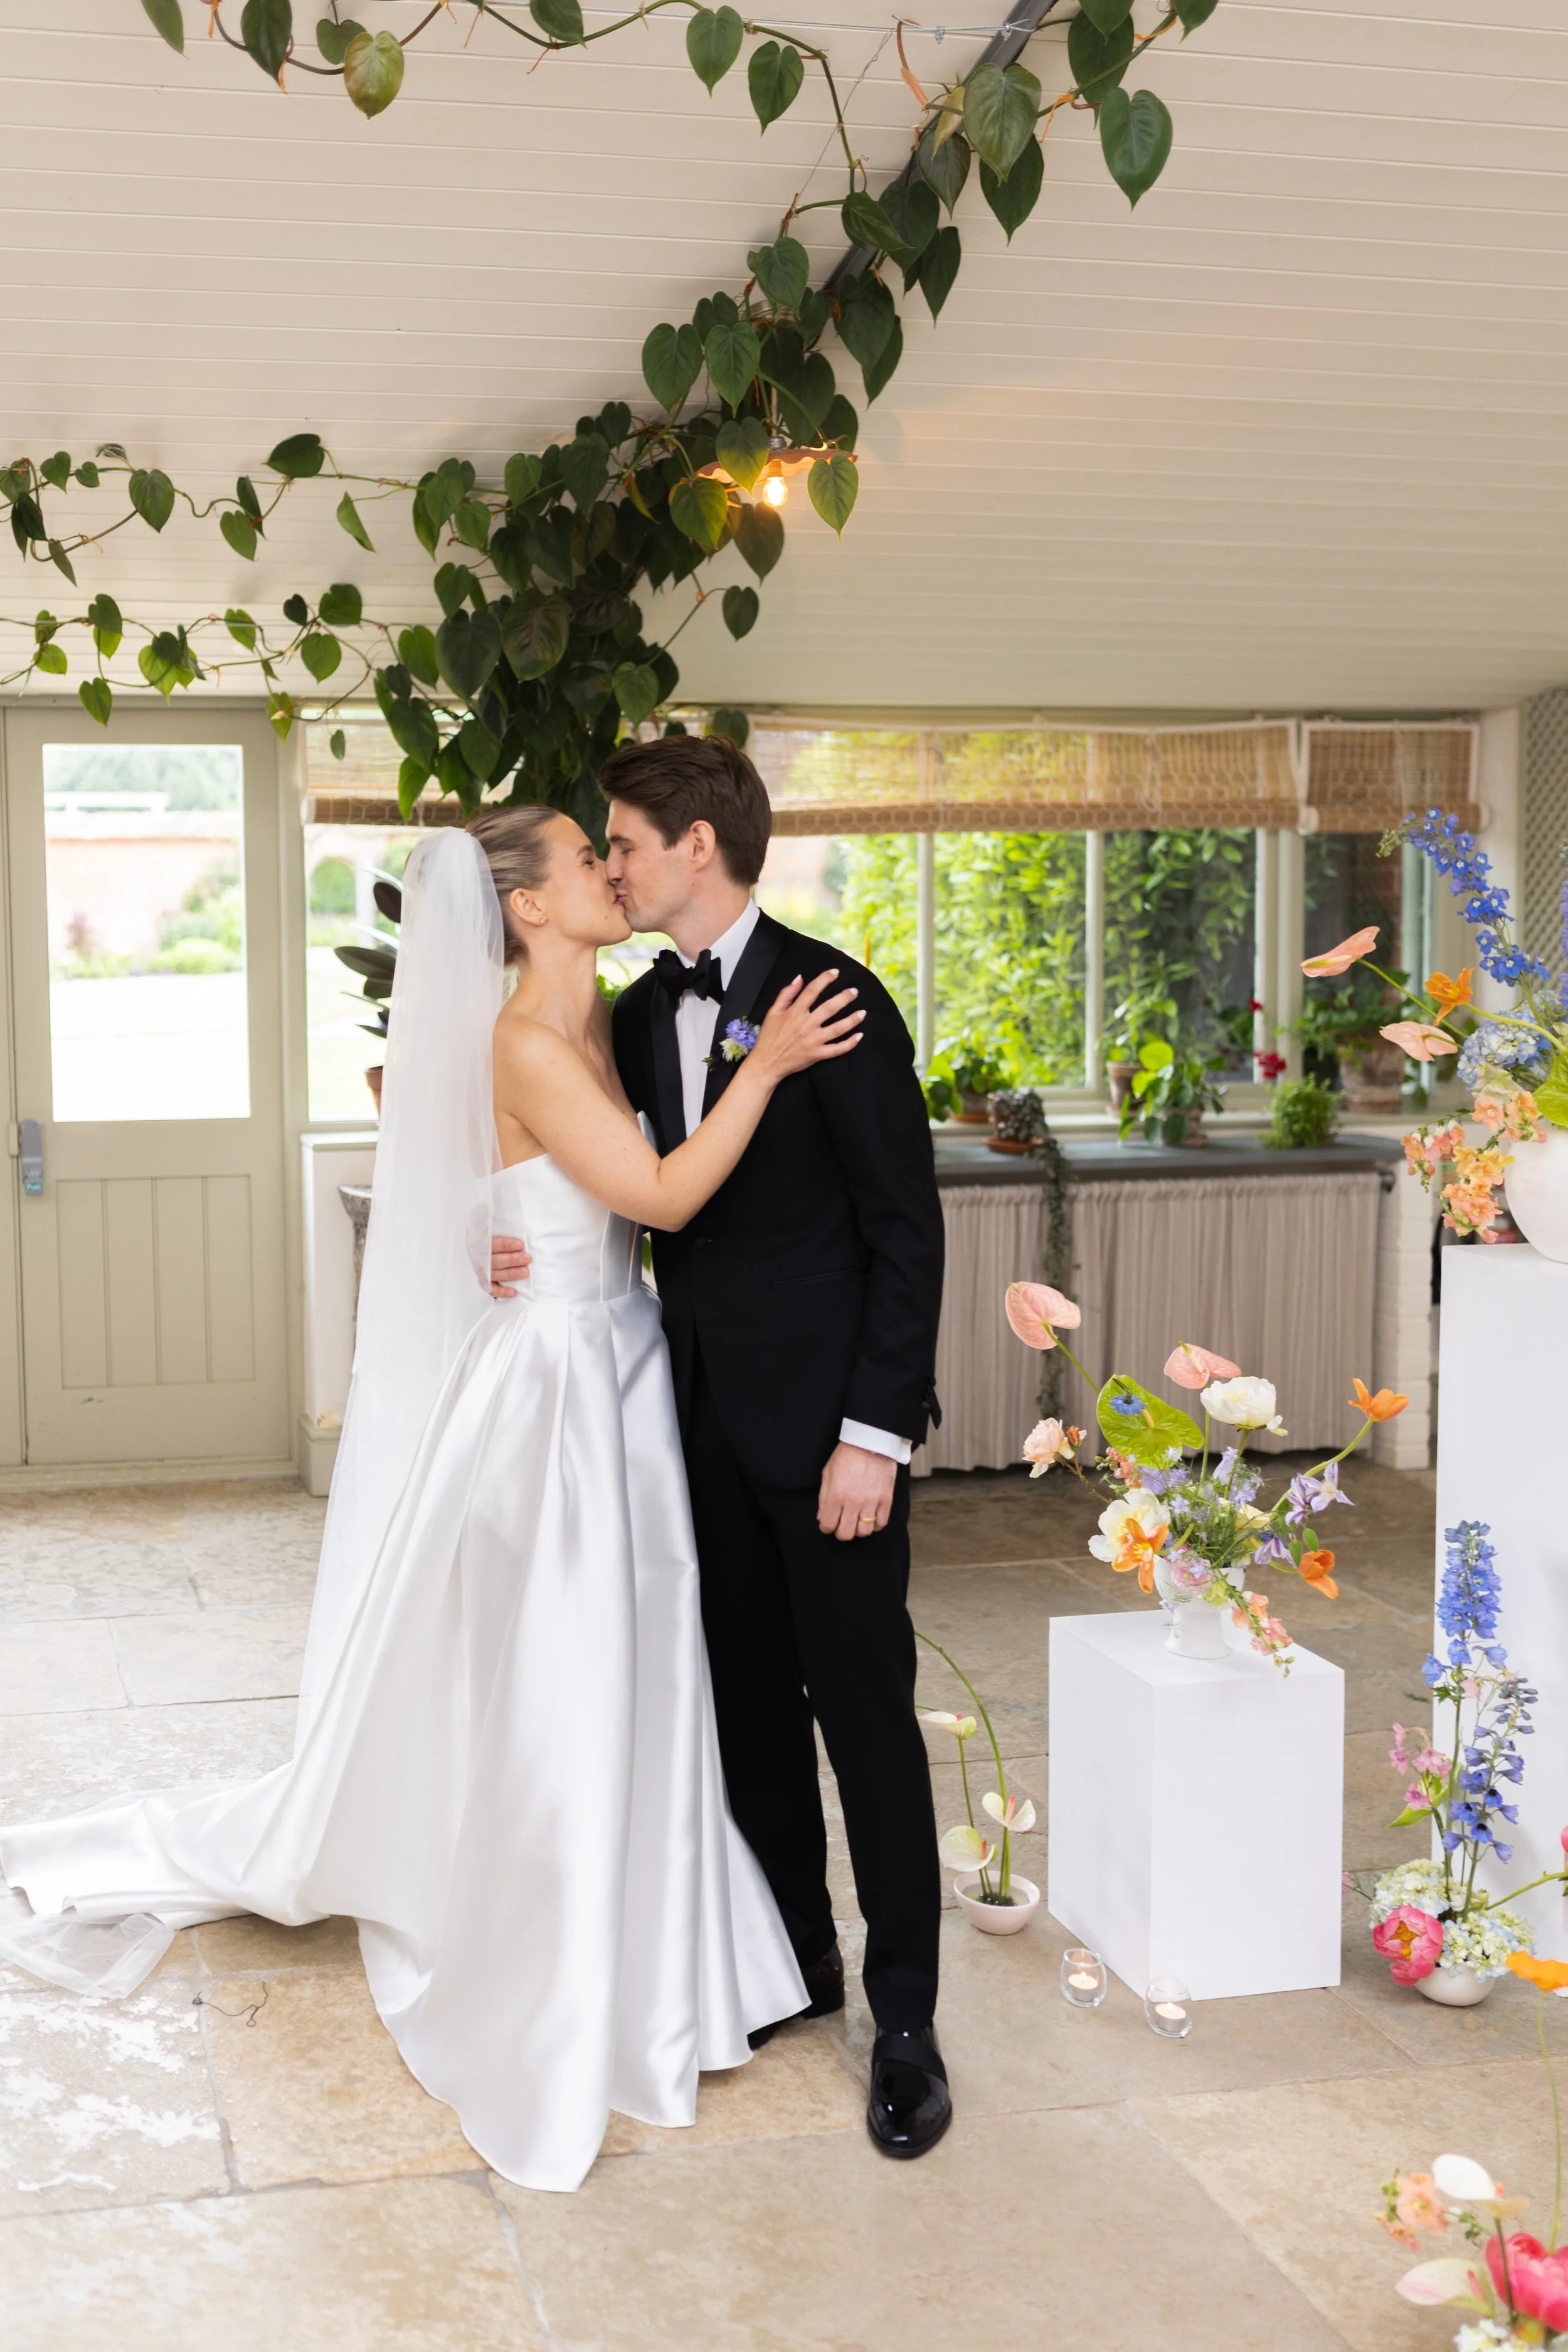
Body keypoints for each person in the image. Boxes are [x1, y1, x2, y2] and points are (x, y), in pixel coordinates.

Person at [0, 812, 863, 2195]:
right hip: (561, 1396)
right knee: (565, 1670)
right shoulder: (526, 1036)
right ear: (525, 908)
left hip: (618, 1362)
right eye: (586, 858)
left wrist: (513, 1234)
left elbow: (505, 1199)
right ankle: (553, 1946)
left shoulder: (615, 1022)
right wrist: (762, 1071)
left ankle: (643, 1926)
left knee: (634, 1664)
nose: (609, 871)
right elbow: (651, 1190)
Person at [492, 734, 950, 2159]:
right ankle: (794, 1964)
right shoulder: (627, 1018)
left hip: (827, 1448)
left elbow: (903, 1232)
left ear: (697, 846)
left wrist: (872, 1436)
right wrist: (499, 1243)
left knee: (863, 1719)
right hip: (679, 1433)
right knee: (745, 1712)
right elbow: (605, 1187)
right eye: (599, 850)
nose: (612, 864)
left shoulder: (832, 997)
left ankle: (907, 2023)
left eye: (623, 841)